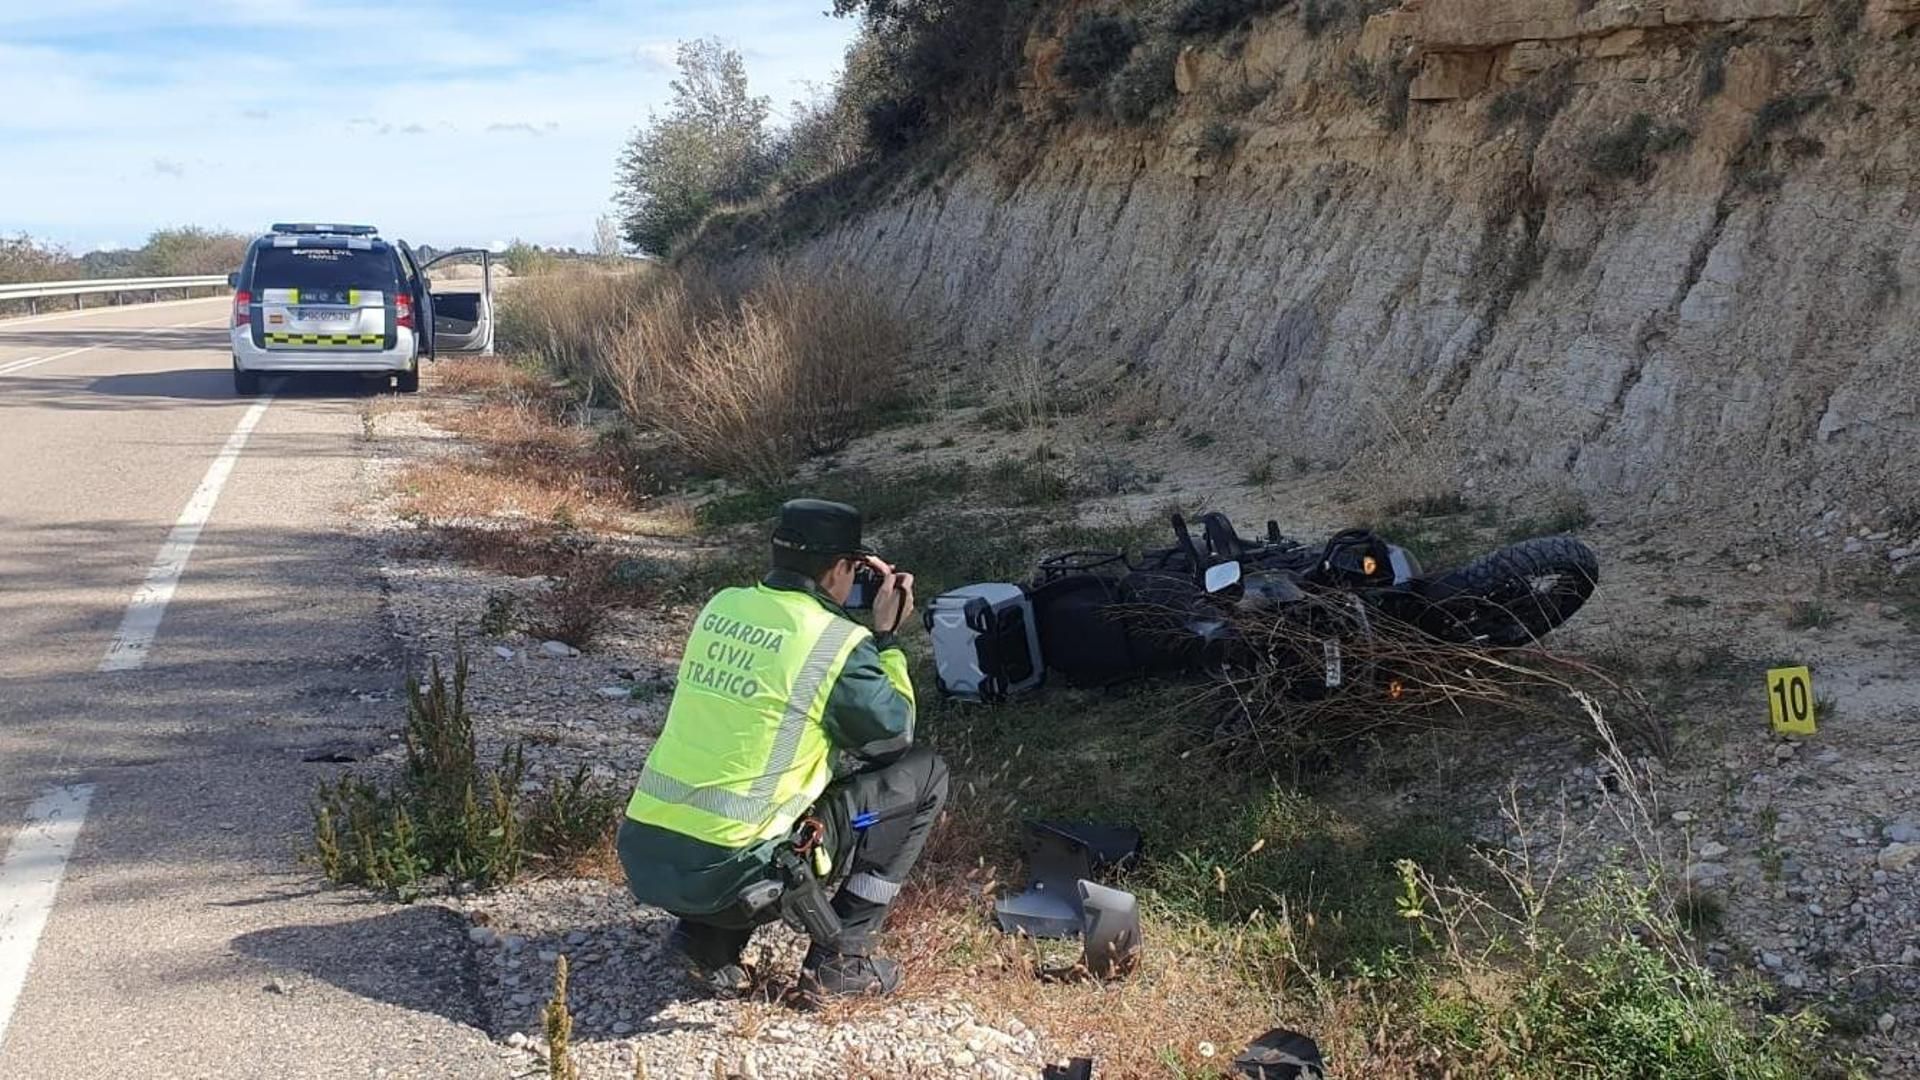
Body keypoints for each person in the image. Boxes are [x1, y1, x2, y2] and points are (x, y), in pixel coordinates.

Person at [617, 498, 948, 998]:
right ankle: (841, 960)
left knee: (751, 790)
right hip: (741, 876)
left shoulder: (721, 607)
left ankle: (705, 940)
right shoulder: (834, 641)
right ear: (842, 567)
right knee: (924, 775)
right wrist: (886, 639)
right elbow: (891, 736)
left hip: (650, 855)